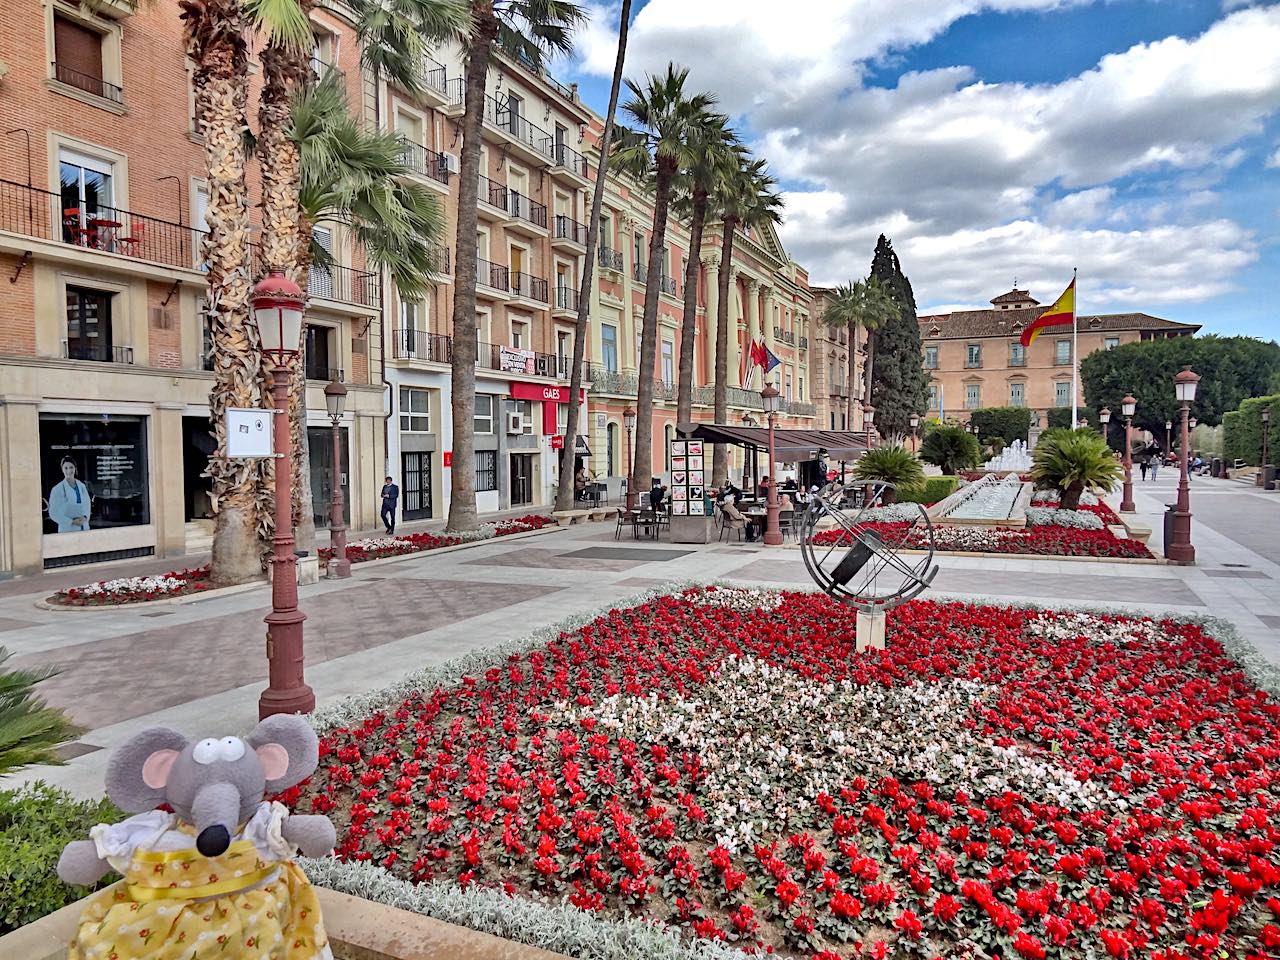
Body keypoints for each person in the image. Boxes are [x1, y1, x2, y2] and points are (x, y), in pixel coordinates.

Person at [48, 456, 91, 532]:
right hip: (67, 529)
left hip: (83, 527)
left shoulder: (81, 486)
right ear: (62, 469)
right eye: (66, 468)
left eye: (71, 467)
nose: (69, 470)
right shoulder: (57, 489)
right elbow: (53, 513)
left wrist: (85, 517)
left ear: (75, 468)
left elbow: (87, 504)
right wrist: (71, 522)